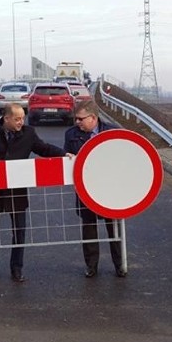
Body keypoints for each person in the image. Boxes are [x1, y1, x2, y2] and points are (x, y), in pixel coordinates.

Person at [0, 104, 68, 282]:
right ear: (6, 118)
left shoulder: (28, 133)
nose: (21, 122)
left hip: (17, 191)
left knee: (19, 231)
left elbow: (44, 148)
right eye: (17, 119)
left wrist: (64, 154)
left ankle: (17, 268)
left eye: (23, 118)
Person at [63, 100, 126, 278]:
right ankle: (91, 266)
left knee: (114, 227)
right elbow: (67, 157)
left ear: (93, 118)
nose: (77, 122)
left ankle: (120, 264)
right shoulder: (71, 134)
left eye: (80, 119)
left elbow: (125, 155)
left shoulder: (113, 132)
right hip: (85, 190)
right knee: (89, 227)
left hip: (110, 189)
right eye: (75, 119)